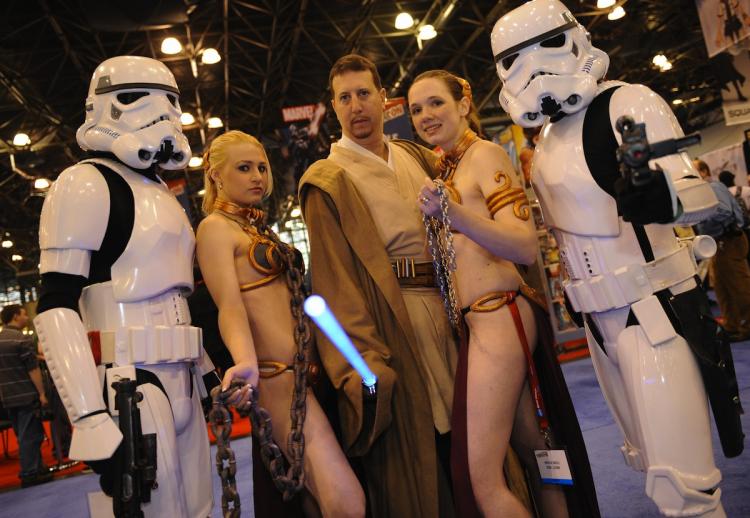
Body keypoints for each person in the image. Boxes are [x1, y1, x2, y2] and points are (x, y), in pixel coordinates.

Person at [490, 1, 744, 516]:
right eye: (513, 59)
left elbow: (696, 196)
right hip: (600, 328)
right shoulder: (544, 141)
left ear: (578, 38)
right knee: (650, 468)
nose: (533, 69)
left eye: (547, 46)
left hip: (654, 313)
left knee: (684, 487)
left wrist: (661, 196)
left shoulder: (628, 102)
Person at [408, 69, 598, 518]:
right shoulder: (448, 165)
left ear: (464, 103)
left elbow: (523, 244)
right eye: (416, 109)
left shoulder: (486, 155)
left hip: (499, 316)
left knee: (481, 478)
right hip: (482, 324)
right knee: (536, 454)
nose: (425, 115)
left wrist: (453, 213)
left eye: (436, 102)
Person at [34, 56, 213, 517]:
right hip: (129, 382)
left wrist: (207, 372)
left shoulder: (161, 193)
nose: (163, 115)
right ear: (102, 106)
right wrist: (88, 416)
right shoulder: (83, 184)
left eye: (172, 102)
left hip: (183, 377)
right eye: (137, 98)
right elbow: (56, 302)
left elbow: (178, 298)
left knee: (199, 508)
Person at [298, 54, 457, 518]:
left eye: (364, 93)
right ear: (333, 106)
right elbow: (334, 281)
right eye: (344, 98)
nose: (356, 106)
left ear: (384, 99)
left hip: (449, 312)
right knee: (416, 460)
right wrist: (363, 361)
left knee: (469, 448)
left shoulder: (413, 154)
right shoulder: (327, 179)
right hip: (392, 325)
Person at [196, 130, 364, 517]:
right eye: (243, 168)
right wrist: (246, 361)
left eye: (261, 167)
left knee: (319, 502)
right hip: (279, 382)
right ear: (216, 174)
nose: (257, 176)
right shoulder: (215, 229)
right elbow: (230, 306)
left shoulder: (256, 227)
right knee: (347, 501)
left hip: (312, 376)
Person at [0, 305, 53, 487]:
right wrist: (42, 393)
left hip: (7, 398)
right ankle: (29, 473)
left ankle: (39, 469)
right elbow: (33, 370)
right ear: (15, 316)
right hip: (26, 394)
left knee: (23, 434)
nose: (26, 317)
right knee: (30, 435)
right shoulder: (22, 339)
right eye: (23, 314)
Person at [697, 167, 750, 341]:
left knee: (738, 285)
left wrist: (703, 215)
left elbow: (724, 211)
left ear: (704, 172)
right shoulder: (704, 190)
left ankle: (748, 324)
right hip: (718, 242)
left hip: (728, 239)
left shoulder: (713, 186)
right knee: (722, 287)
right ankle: (732, 325)